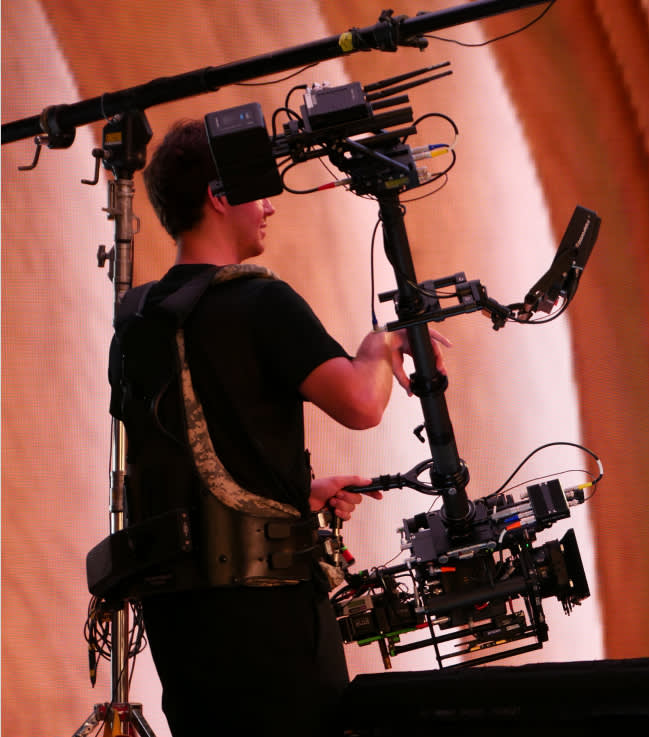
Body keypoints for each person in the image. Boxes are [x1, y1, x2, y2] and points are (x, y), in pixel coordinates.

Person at [109, 119, 450, 737]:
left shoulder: (138, 323)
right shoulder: (262, 303)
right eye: (257, 190)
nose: (269, 205)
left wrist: (297, 497)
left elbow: (183, 462)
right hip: (267, 619)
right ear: (219, 196)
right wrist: (379, 346)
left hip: (179, 623)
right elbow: (360, 404)